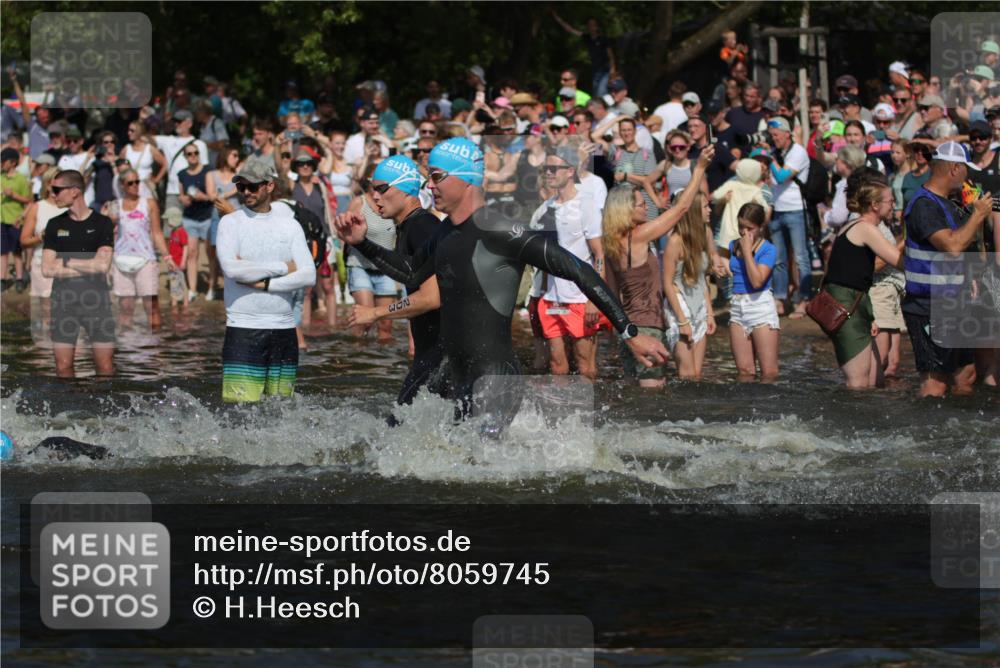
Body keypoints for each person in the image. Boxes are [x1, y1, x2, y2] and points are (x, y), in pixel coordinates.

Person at [335, 137, 668, 433]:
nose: (430, 186)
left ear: (466, 180)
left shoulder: (500, 229)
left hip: (496, 378)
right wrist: (362, 243)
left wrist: (629, 331)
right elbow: (411, 273)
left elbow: (577, 269)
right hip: (460, 375)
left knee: (481, 480)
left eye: (437, 177)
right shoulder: (444, 231)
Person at [602, 151, 712, 386]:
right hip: (647, 328)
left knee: (634, 394)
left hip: (627, 330)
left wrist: (618, 330)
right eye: (642, 205)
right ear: (627, 211)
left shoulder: (610, 242)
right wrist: (700, 168)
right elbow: (682, 208)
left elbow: (611, 293)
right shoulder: (639, 237)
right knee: (652, 397)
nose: (647, 209)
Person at [347, 156, 446, 407]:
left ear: (405, 189)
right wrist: (361, 243)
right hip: (433, 353)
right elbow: (409, 275)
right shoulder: (406, 227)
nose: (375, 196)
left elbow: (431, 297)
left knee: (401, 427)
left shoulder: (423, 225)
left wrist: (375, 313)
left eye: (382, 189)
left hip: (445, 355)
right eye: (372, 189)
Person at [215, 159, 316, 402]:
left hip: (283, 329)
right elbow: (232, 270)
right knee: (239, 411)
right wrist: (284, 267)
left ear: (269, 186)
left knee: (282, 410)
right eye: (241, 187)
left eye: (252, 186)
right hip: (243, 327)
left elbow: (308, 275)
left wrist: (266, 283)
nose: (246, 192)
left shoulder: (290, 225)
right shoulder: (230, 222)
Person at [902, 141, 994, 397]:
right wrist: (977, 214)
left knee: (966, 374)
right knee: (935, 382)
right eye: (966, 170)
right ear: (955, 169)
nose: (969, 177)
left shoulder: (946, 203)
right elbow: (952, 246)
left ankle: (957, 430)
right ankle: (928, 432)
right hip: (928, 305)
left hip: (954, 302)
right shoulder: (924, 204)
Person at [527, 146, 608, 381]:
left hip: (580, 298)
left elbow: (599, 254)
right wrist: (537, 295)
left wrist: (595, 299)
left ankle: (591, 413)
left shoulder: (586, 205)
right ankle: (561, 415)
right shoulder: (544, 209)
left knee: (585, 365)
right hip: (551, 297)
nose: (549, 173)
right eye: (546, 169)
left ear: (570, 171)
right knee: (557, 364)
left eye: (554, 168)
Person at [815, 173, 904, 388]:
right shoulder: (865, 228)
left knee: (875, 379)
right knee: (859, 384)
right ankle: (848, 421)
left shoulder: (852, 224)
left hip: (857, 305)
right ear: (874, 205)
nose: (893, 206)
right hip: (846, 308)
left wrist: (868, 316)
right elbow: (899, 261)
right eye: (890, 201)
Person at [41, 170, 115, 377]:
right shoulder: (55, 225)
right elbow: (47, 269)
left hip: (97, 302)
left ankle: (105, 407)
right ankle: (67, 407)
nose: (53, 195)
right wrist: (87, 264)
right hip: (63, 302)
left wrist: (66, 260)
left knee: (105, 366)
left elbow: (102, 266)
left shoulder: (102, 223)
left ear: (74, 191)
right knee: (63, 367)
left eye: (56, 190)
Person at [104, 169, 172, 330]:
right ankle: (128, 349)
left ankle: (153, 347)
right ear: (122, 185)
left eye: (137, 182)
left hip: (146, 258)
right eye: (130, 183)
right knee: (125, 309)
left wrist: (167, 257)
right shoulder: (115, 205)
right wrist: (108, 220)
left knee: (152, 308)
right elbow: (106, 233)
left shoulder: (149, 203)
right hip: (121, 260)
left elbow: (156, 232)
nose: (135, 185)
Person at [662, 189, 716, 380]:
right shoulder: (675, 241)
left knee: (697, 374)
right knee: (687, 374)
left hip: (699, 302)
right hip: (680, 305)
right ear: (693, 211)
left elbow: (702, 279)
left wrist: (709, 312)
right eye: (705, 206)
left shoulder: (704, 233)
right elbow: (667, 283)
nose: (710, 210)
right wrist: (682, 320)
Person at [766, 117, 812, 318]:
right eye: (771, 135)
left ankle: (804, 299)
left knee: (801, 257)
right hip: (777, 209)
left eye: (775, 135)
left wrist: (769, 159)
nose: (773, 139)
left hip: (795, 210)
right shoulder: (777, 152)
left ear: (787, 133)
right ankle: (780, 298)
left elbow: (782, 176)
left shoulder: (798, 152)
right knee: (778, 258)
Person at [345, 175, 397, 340]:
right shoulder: (359, 202)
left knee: (386, 325)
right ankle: (359, 357)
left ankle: (383, 364)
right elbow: (346, 232)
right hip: (360, 266)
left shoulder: (393, 203)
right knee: (364, 320)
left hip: (385, 268)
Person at [292, 149, 337, 328]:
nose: (305, 166)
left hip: (323, 239)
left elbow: (329, 213)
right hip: (301, 242)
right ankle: (305, 329)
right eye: (301, 164)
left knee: (328, 286)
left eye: (309, 163)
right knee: (306, 289)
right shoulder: (291, 186)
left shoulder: (321, 186)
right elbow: (279, 167)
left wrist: (334, 237)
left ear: (313, 166)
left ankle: (333, 327)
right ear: (296, 167)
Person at [19, 167, 66, 308]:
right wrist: (41, 237)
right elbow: (24, 241)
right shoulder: (37, 207)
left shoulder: (71, 208)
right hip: (43, 264)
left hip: (67, 265)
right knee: (48, 312)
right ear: (47, 184)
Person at [177, 142, 217, 302]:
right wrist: (183, 199)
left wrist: (203, 196)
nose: (193, 156)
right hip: (190, 217)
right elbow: (180, 194)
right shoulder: (182, 174)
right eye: (190, 154)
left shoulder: (207, 171)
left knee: (210, 254)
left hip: (207, 216)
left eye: (196, 153)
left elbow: (212, 195)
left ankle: (212, 287)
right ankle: (192, 289)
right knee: (192, 253)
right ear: (185, 156)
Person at [1, 147, 31, 291]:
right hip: (2, 220)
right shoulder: (1, 177)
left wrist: (13, 195)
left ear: (12, 162)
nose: (1, 163)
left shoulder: (21, 179)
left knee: (17, 251)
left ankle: (19, 278)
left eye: (3, 161)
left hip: (15, 221)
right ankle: (2, 278)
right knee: (2, 251)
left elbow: (28, 201)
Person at [121, 120, 167, 201]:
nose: (129, 133)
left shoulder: (149, 148)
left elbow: (165, 164)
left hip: (145, 188)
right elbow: (119, 164)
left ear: (139, 132)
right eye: (128, 130)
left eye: (132, 131)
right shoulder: (126, 148)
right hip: (130, 187)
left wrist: (156, 180)